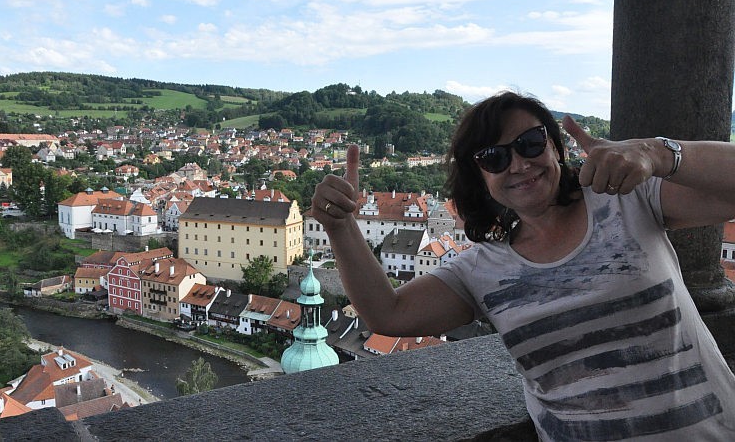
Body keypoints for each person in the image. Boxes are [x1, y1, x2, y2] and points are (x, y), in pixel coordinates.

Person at [312, 91, 735, 441]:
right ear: (480, 177)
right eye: (494, 157)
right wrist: (341, 228)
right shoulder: (479, 268)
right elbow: (387, 312)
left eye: (530, 144)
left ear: (555, 146)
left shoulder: (627, 201)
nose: (518, 164)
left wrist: (658, 154)